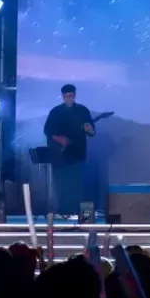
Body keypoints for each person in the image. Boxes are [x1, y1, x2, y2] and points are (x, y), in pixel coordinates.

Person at [43, 83, 95, 217]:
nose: (69, 99)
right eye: (66, 97)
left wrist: (90, 129)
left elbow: (91, 131)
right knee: (62, 185)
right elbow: (47, 130)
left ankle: (78, 213)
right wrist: (60, 139)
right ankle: (63, 212)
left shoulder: (83, 111)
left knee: (77, 185)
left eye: (71, 96)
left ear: (75, 95)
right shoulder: (56, 112)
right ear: (62, 96)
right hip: (60, 156)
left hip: (78, 154)